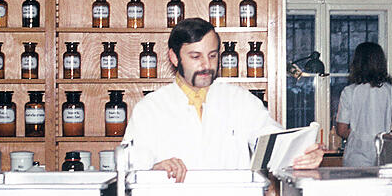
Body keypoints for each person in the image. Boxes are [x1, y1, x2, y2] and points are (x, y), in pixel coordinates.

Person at [122, 18, 323, 182]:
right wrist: (153, 170)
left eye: (212, 55)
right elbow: (129, 166)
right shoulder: (150, 108)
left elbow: (276, 145)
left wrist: (304, 155)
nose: (206, 65)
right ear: (174, 58)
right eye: (195, 56)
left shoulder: (241, 101)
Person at [335, 42, 392, 167]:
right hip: (384, 155)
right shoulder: (391, 91)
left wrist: (359, 138)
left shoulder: (349, 91)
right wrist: (383, 138)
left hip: (355, 158)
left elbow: (341, 130)